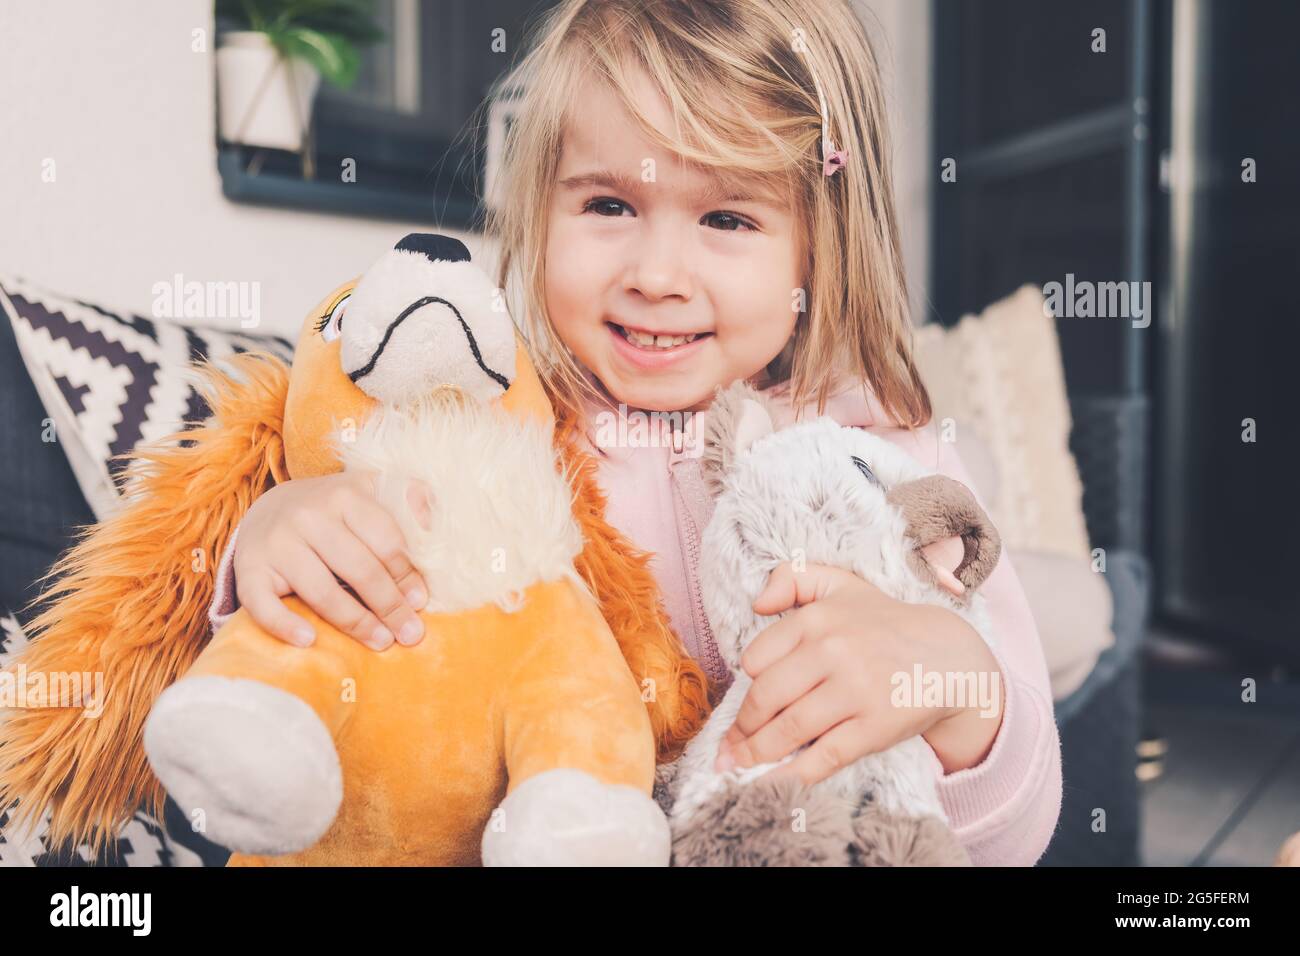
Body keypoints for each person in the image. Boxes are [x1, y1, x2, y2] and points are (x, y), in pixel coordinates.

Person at [209, 0, 1062, 865]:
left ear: (821, 243)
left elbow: (1015, 836)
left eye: (727, 219)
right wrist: (274, 545)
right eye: (609, 204)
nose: (656, 276)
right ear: (540, 209)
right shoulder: (494, 434)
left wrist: (958, 690)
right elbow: (352, 701)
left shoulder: (892, 464)